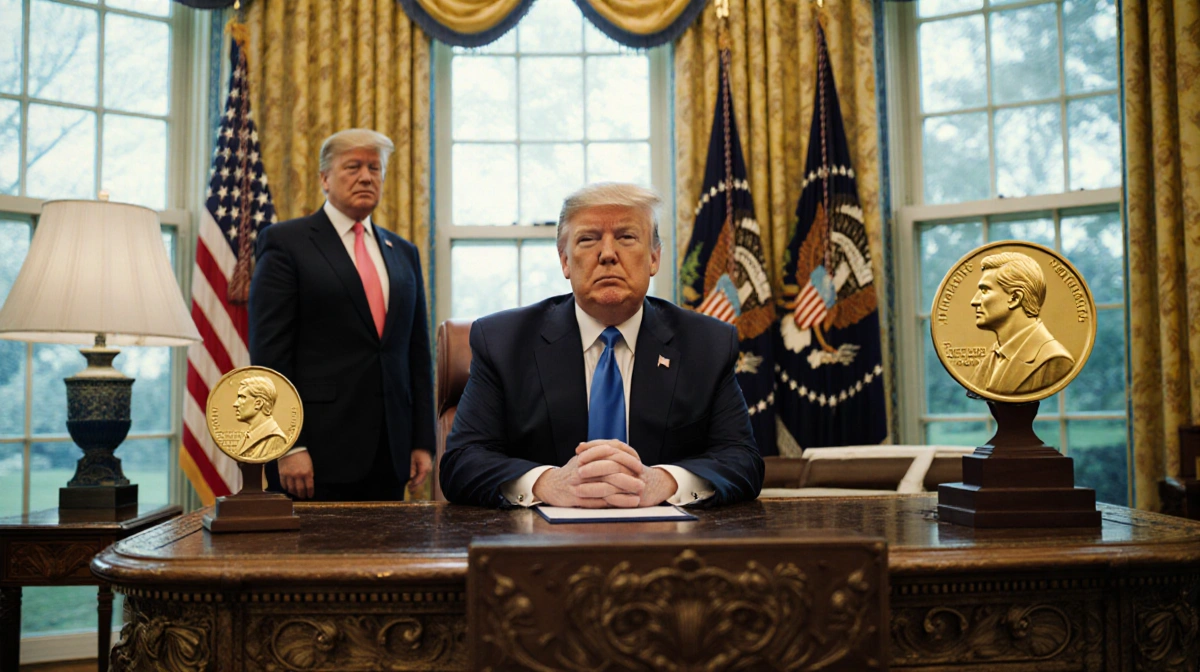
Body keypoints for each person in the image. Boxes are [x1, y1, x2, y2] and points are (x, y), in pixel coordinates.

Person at [439, 182, 764, 509]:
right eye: (588, 239)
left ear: (654, 258)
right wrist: (548, 483)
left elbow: (742, 460)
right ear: (565, 261)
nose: (608, 254)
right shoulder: (502, 343)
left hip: (667, 537)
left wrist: (665, 481)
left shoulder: (707, 345)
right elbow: (462, 462)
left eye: (626, 237)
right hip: (542, 537)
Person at [249, 128, 434, 501]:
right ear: (325, 179)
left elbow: (416, 353)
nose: (366, 177)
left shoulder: (403, 252)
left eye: (374, 168)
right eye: (353, 167)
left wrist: (422, 440)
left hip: (391, 452)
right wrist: (288, 443)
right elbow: (270, 355)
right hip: (314, 455)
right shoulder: (286, 243)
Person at [969, 251, 1075, 395]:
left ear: (1015, 298)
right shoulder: (993, 355)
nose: (974, 301)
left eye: (985, 290)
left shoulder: (1054, 359)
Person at [231, 375, 288, 460]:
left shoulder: (276, 439)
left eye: (242, 397)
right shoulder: (246, 437)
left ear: (258, 403)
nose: (235, 404)